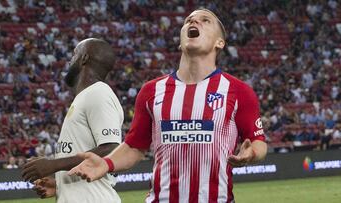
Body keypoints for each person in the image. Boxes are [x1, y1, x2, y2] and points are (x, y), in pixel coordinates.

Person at [68, 9, 267, 202]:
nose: (193, 22)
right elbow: (134, 147)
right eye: (189, 20)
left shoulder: (238, 91)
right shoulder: (151, 91)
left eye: (205, 20)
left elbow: (258, 142)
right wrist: (105, 163)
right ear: (181, 42)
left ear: (220, 42)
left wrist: (251, 153)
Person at [21, 38, 124, 203]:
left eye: (74, 54)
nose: (70, 60)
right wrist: (60, 184)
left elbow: (111, 148)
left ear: (83, 58)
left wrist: (53, 165)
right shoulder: (86, 96)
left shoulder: (99, 93)